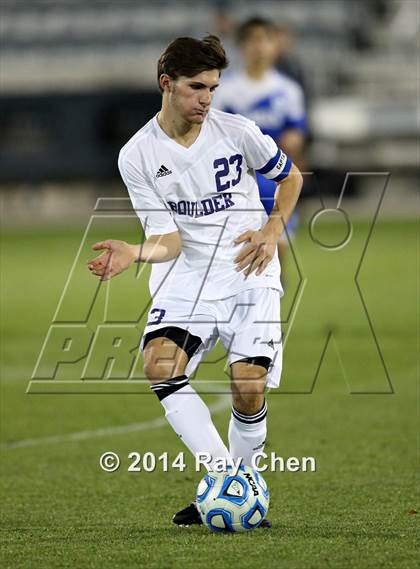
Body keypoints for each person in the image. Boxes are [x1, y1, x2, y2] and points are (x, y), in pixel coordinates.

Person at [88, 35, 302, 528]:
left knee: (247, 386)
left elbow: (290, 178)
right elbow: (168, 239)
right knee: (160, 364)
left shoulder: (237, 131)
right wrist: (134, 251)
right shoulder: (137, 155)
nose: (207, 98)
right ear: (167, 84)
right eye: (196, 87)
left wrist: (272, 229)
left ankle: (237, 486)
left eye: (213, 87)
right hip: (187, 275)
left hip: (249, 268)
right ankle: (229, 483)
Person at [213, 17, 307, 282]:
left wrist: (293, 142)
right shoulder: (225, 89)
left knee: (279, 245)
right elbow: (218, 135)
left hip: (278, 178)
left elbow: (297, 132)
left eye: (265, 40)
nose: (259, 47)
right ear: (241, 47)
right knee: (240, 250)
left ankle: (274, 293)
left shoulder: (288, 90)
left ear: (275, 45)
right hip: (241, 179)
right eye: (252, 40)